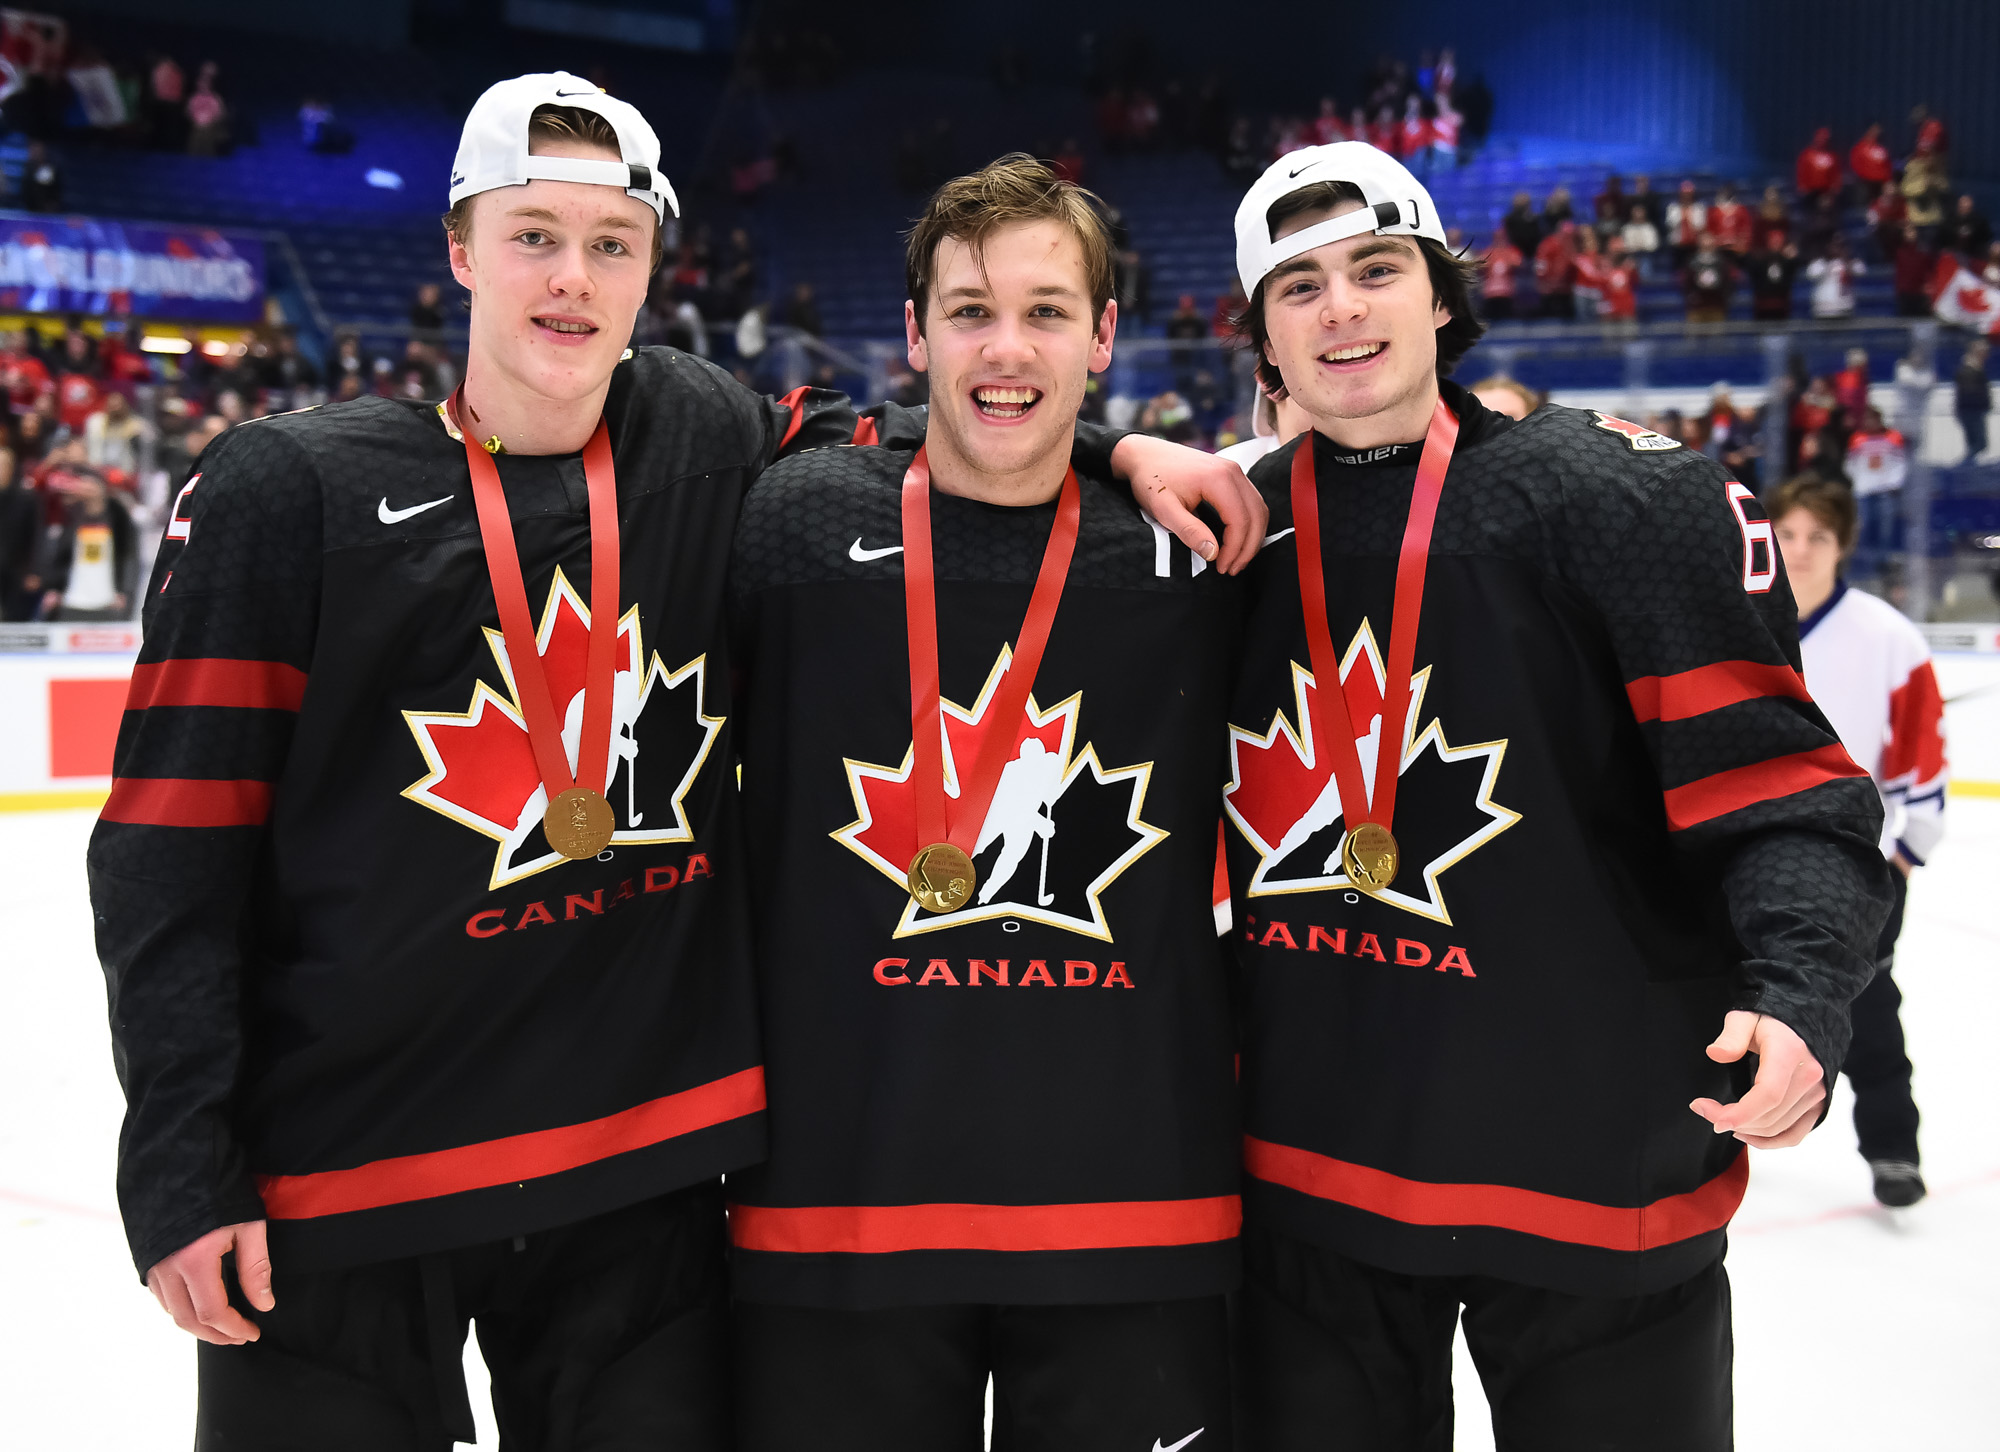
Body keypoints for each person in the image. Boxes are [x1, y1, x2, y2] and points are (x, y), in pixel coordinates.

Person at [87, 74, 1263, 1448]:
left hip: (637, 1187)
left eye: (610, 243)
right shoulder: (286, 491)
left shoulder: (699, 437)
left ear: (655, 266)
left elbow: (936, 425)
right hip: (346, 1183)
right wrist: (180, 1160)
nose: (571, 279)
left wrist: (1118, 447)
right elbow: (172, 847)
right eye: (533, 236)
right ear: (459, 249)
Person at [1221, 141, 1889, 1449]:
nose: (1340, 307)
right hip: (1315, 1180)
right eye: (1298, 287)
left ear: (1441, 293)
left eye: (1375, 269)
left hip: (1592, 1168)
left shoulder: (1615, 500)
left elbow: (1785, 800)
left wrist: (1800, 994)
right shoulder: (1223, 534)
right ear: (1262, 339)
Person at [725, 152, 1247, 1452]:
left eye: (1045, 312)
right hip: (840, 1210)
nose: (1005, 349)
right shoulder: (789, 524)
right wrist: (1114, 439)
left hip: (1133, 1210)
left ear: (1102, 335)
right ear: (914, 335)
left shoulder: (1188, 553)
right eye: (969, 311)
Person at [1771, 478, 1946, 1208]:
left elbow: (1921, 755)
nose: (1801, 550)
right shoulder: (1736, 618)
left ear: (1843, 544)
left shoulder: (1887, 638)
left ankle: (1893, 1148)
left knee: (1867, 1011)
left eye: (1819, 536)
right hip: (1743, 857)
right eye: (1789, 534)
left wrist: (1903, 858)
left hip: (1854, 871)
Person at [37, 471, 135, 621]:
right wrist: (55, 587)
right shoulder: (71, 517)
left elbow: (127, 556)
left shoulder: (118, 517)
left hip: (108, 596)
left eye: (91, 486)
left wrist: (124, 590)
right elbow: (61, 555)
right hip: (74, 596)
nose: (87, 491)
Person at [1806, 236, 1864, 318]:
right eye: (1835, 245)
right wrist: (1828, 264)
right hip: (1823, 308)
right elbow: (1812, 274)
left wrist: (1846, 261)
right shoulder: (1819, 263)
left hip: (1845, 307)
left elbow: (1860, 271)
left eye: (1842, 245)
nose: (1838, 248)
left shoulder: (1852, 262)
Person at [1747, 232, 1801, 321]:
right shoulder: (1760, 260)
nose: (1775, 243)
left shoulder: (1787, 261)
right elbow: (1752, 271)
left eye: (1778, 241)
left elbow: (1795, 270)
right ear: (1768, 242)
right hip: (1762, 306)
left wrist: (1793, 258)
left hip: (1782, 306)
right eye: (1773, 240)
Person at [1956, 338, 1991, 464]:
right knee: (1979, 443)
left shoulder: (1976, 368)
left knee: (1975, 443)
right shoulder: (1969, 369)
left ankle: (1969, 463)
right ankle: (1964, 464)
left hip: (1974, 410)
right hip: (1970, 410)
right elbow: (1969, 391)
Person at [1478, 231, 1522, 321]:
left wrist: (1508, 263)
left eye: (1502, 237)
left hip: (1508, 289)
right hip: (1490, 291)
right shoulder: (1489, 252)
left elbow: (1518, 262)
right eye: (1498, 237)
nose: (1500, 240)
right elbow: (1480, 262)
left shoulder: (1511, 251)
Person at [1850, 122, 1892, 202]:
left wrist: (1887, 181)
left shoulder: (1882, 149)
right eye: (1875, 130)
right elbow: (1855, 165)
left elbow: (1887, 166)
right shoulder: (1860, 148)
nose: (1878, 133)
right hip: (1865, 184)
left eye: (1879, 130)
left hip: (1880, 185)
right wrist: (1864, 177)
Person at [1796, 126, 1841, 200]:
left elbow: (1836, 173)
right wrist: (1802, 186)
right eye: (1821, 138)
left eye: (1825, 139)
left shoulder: (1832, 156)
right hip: (1810, 190)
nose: (1823, 140)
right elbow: (1802, 171)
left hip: (1826, 191)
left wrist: (1835, 187)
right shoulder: (1807, 155)